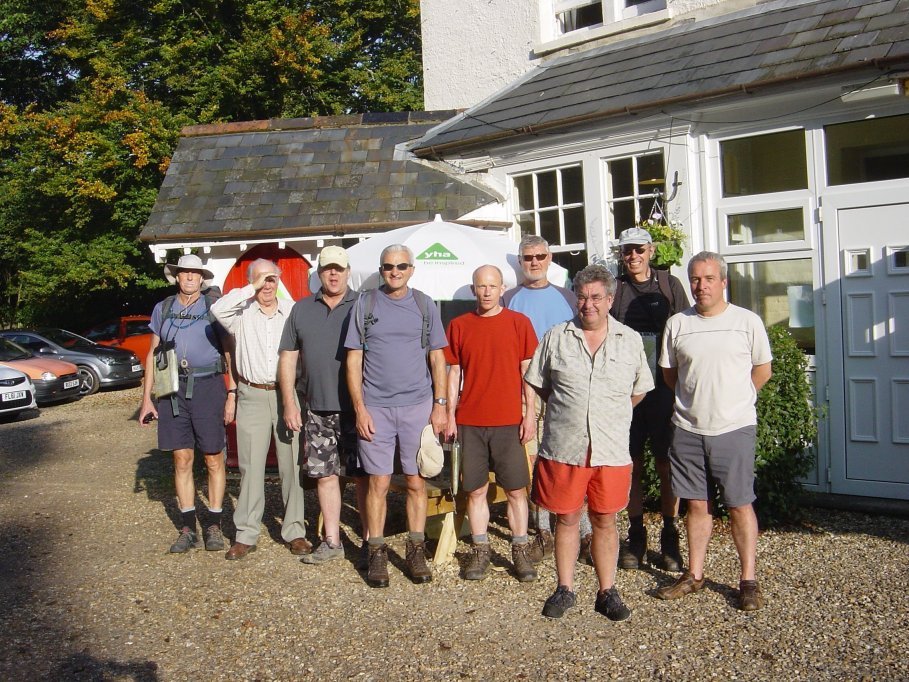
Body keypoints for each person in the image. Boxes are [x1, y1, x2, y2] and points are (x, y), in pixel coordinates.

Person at [525, 264, 653, 621]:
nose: (588, 304)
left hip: (610, 447)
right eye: (582, 297)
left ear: (609, 300)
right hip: (566, 446)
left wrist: (607, 413)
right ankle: (565, 588)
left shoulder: (630, 340)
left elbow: (639, 390)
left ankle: (607, 591)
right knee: (566, 518)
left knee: (605, 519)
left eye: (596, 297)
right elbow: (539, 383)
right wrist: (571, 410)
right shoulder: (556, 337)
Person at [656, 251, 772, 611]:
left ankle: (748, 580)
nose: (701, 286)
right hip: (687, 428)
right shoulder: (678, 324)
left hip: (733, 427)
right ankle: (694, 574)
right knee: (695, 503)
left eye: (708, 279)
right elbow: (671, 375)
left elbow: (762, 370)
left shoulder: (747, 322)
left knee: (739, 503)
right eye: (695, 278)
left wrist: (736, 400)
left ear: (723, 282)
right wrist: (695, 403)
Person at [344, 244, 448, 588]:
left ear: (411, 269)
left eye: (402, 266)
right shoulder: (365, 304)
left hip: (418, 407)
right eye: (389, 266)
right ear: (381, 270)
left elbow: (438, 357)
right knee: (378, 482)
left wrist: (440, 404)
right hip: (375, 408)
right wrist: (360, 408)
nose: (395, 271)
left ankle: (415, 550)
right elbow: (354, 359)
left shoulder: (425, 305)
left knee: (417, 481)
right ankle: (376, 552)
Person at [443, 265, 539, 582]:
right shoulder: (459, 326)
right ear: (474, 289)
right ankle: (480, 550)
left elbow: (528, 373)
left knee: (516, 490)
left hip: (508, 420)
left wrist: (529, 413)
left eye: (492, 286)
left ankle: (520, 550)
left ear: (502, 289)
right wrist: (449, 414)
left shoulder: (519, 324)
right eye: (481, 286)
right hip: (470, 421)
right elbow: (453, 373)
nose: (486, 292)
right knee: (475, 490)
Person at [210, 258, 309, 560]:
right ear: (251, 282)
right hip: (251, 393)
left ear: (280, 281)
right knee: (250, 466)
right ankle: (246, 533)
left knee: (291, 464)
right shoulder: (240, 313)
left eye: (272, 279)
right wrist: (251, 288)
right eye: (260, 279)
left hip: (286, 395)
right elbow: (217, 309)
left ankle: (295, 530)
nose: (267, 285)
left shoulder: (291, 311)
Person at [278, 246, 369, 565]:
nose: (333, 274)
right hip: (317, 408)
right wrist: (289, 402)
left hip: (358, 409)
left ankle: (370, 542)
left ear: (348, 272)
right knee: (325, 475)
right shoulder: (301, 309)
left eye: (339, 269)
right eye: (328, 268)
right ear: (319, 273)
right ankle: (332, 541)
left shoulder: (363, 305)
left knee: (362, 476)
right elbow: (288, 357)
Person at [139, 254, 235, 553]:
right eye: (185, 272)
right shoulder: (163, 308)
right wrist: (146, 399)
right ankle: (187, 527)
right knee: (181, 458)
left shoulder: (213, 307)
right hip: (172, 388)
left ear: (202, 278)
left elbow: (229, 350)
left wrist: (232, 393)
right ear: (177, 276)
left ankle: (214, 524)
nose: (190, 277)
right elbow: (153, 353)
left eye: (195, 273)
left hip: (208, 386)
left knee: (213, 457)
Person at [502, 235, 590, 563]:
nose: (535, 262)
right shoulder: (508, 298)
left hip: (564, 389)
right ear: (520, 262)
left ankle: (582, 529)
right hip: (524, 390)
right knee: (534, 460)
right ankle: (543, 530)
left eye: (540, 256)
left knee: (571, 457)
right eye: (528, 258)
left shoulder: (568, 297)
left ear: (549, 258)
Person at [611, 227, 690, 572]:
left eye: (639, 250)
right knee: (632, 465)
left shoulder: (670, 285)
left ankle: (670, 534)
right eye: (627, 250)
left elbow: (687, 331)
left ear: (651, 250)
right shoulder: (615, 288)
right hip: (626, 391)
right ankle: (636, 533)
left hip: (663, 390)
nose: (633, 256)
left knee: (666, 463)